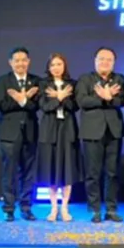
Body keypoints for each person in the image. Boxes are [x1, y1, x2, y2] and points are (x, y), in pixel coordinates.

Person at [76, 47, 124, 223]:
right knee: (93, 173)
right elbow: (82, 101)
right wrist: (104, 97)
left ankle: (111, 209)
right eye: (102, 59)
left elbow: (122, 100)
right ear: (95, 60)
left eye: (109, 60)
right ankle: (94, 209)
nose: (105, 62)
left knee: (112, 173)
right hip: (92, 131)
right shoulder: (85, 79)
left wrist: (111, 98)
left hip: (113, 131)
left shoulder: (119, 79)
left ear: (114, 62)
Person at [0, 47, 40, 222]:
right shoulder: (3, 80)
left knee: (28, 173)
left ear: (28, 61)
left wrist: (22, 99)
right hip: (9, 133)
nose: (20, 63)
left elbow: (37, 106)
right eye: (17, 60)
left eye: (23, 60)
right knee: (9, 172)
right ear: (10, 63)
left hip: (30, 132)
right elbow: (2, 105)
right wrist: (23, 99)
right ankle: (8, 208)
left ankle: (26, 207)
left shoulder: (36, 81)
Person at [38, 53, 81, 222]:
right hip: (50, 129)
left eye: (59, 64)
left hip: (67, 128)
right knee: (52, 170)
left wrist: (62, 98)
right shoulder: (43, 84)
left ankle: (65, 207)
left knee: (67, 169)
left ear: (64, 66)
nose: (56, 68)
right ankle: (54, 207)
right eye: (53, 65)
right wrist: (59, 98)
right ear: (49, 68)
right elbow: (44, 106)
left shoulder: (72, 84)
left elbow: (75, 106)